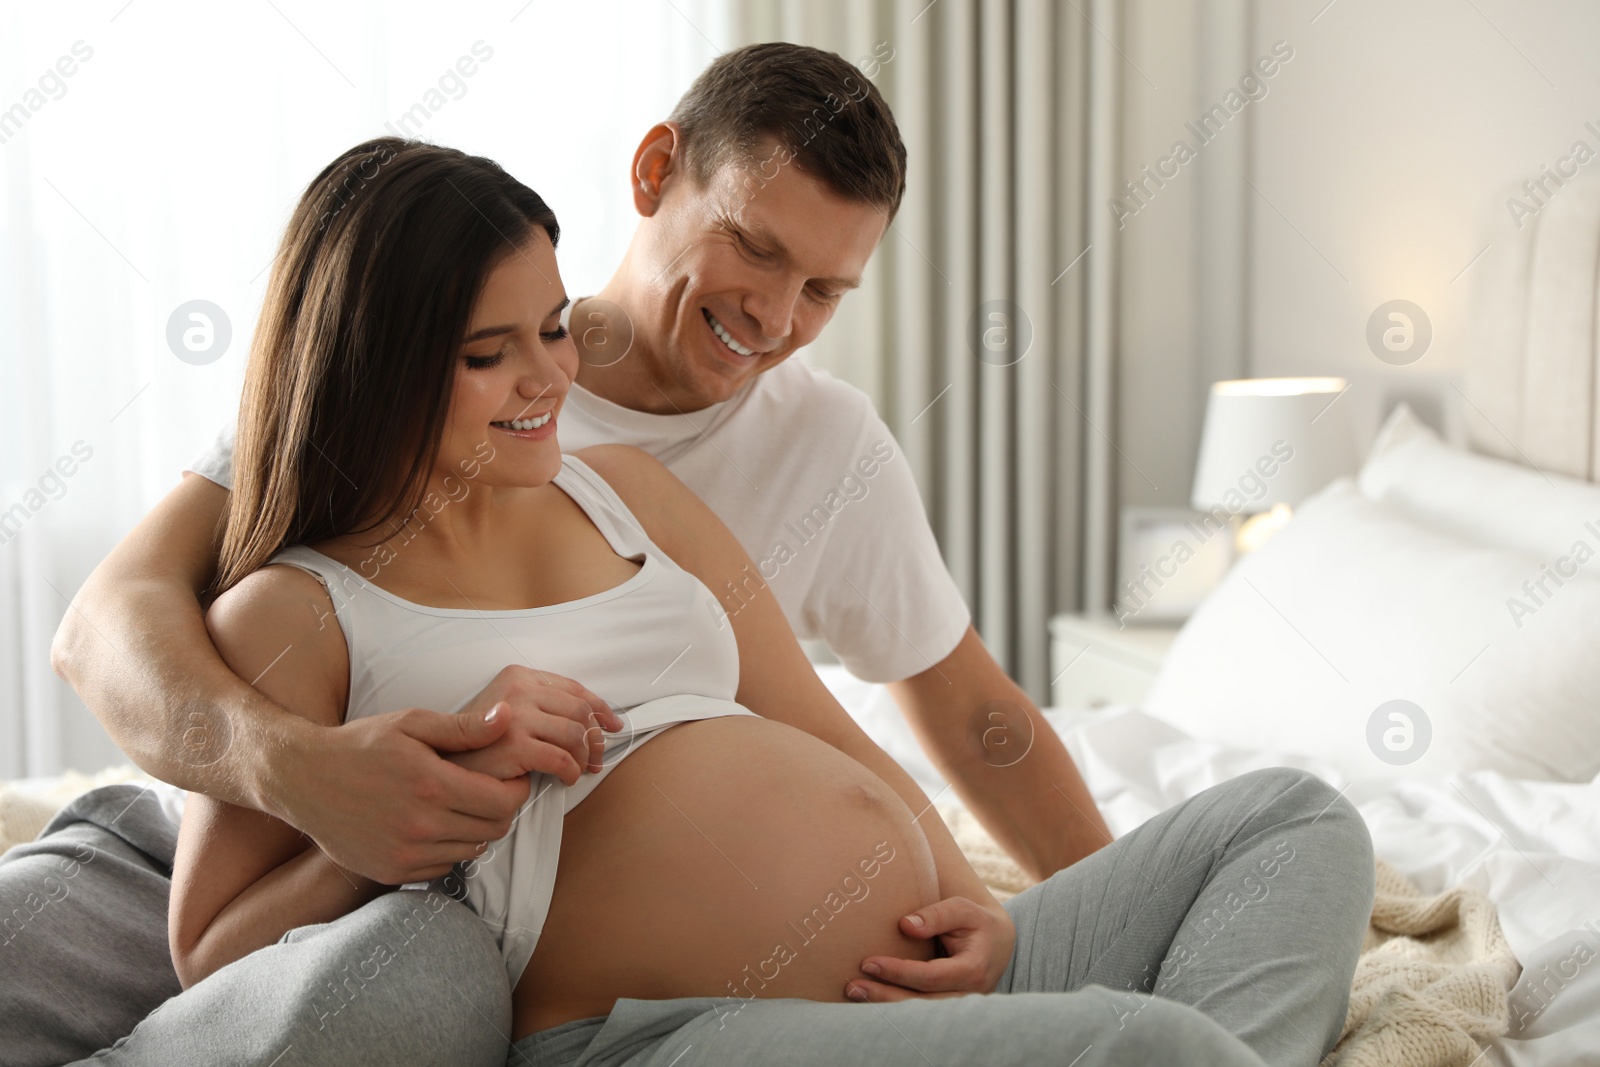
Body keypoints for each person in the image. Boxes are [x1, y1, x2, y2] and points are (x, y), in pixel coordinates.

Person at [164, 135, 1369, 1067]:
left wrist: (968, 907)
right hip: (665, 1025)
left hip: (922, 969)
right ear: (373, 358)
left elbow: (828, 731)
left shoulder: (625, 489)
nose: (548, 379)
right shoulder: (294, 611)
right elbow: (207, 960)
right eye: (491, 355)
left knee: (1291, 815)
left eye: (552, 328)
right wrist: (416, 800)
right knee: (1149, 1048)